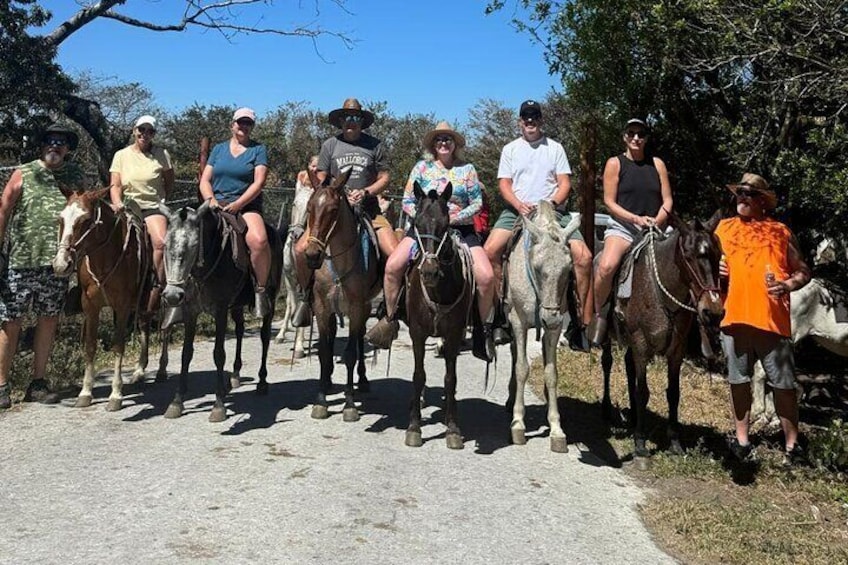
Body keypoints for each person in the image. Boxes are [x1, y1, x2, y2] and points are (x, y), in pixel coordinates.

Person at [365, 121, 496, 361]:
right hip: (424, 231)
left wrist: (455, 216)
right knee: (393, 266)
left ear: (455, 144)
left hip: (460, 230)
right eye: (439, 139)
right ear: (433, 145)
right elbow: (407, 200)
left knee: (487, 277)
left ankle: (481, 330)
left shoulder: (467, 169)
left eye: (448, 139)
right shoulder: (421, 168)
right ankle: (390, 319)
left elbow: (478, 202)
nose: (443, 143)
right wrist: (426, 219)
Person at [715, 173, 811, 466]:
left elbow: (803, 271)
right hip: (734, 318)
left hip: (772, 321)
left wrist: (787, 285)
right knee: (738, 381)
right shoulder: (723, 228)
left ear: (762, 202)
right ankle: (742, 440)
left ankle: (792, 447)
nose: (742, 198)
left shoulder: (780, 232)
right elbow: (701, 261)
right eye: (740, 193)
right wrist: (716, 269)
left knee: (783, 385)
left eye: (749, 194)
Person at [483, 100, 594, 350]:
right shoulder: (510, 149)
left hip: (553, 211)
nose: (530, 122)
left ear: (541, 120)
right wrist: (519, 204)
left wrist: (552, 203)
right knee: (490, 251)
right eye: (526, 118)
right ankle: (499, 315)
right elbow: (504, 184)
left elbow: (565, 182)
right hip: (518, 210)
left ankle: (579, 323)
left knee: (584, 257)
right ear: (520, 121)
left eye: (534, 117)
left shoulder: (555, 148)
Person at [0, 123, 85, 408]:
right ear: (42, 145)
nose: (55, 146)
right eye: (49, 140)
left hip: (56, 263)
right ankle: (1, 385)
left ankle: (38, 382)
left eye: (61, 142)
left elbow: (83, 212)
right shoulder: (24, 172)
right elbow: (4, 208)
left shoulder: (74, 175)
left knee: (48, 321)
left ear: (68, 149)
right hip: (21, 261)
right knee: (11, 322)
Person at [291, 98, 397, 326]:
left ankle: (391, 310)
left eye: (355, 118)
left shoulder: (374, 145)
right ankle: (305, 295)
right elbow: (321, 177)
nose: (351, 122)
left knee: (395, 253)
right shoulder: (330, 145)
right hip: (333, 211)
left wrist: (366, 192)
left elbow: (385, 176)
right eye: (347, 118)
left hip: (368, 209)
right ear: (340, 121)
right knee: (300, 250)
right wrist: (323, 186)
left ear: (361, 122)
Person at [590, 118, 673, 344]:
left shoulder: (657, 164)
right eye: (632, 133)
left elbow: (667, 200)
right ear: (624, 137)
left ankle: (692, 324)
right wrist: (636, 219)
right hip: (624, 226)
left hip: (655, 227)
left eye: (641, 134)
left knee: (685, 260)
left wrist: (657, 220)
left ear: (646, 138)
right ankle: (599, 314)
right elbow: (609, 202)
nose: (636, 138)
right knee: (606, 266)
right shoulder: (615, 163)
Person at [198, 107, 272, 318]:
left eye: (248, 123)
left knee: (259, 241)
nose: (244, 127)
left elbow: (259, 182)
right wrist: (210, 200)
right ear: (232, 124)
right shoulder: (219, 150)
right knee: (188, 234)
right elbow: (205, 180)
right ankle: (184, 291)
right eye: (240, 122)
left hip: (246, 205)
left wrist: (239, 203)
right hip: (215, 203)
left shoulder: (258, 150)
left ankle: (261, 289)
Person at [109, 115, 175, 296]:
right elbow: (115, 184)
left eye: (150, 131)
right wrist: (117, 203)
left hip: (153, 206)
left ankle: (157, 285)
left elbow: (169, 179)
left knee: (161, 242)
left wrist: (163, 198)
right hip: (128, 205)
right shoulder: (121, 155)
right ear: (134, 131)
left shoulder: (161, 154)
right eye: (141, 129)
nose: (145, 134)